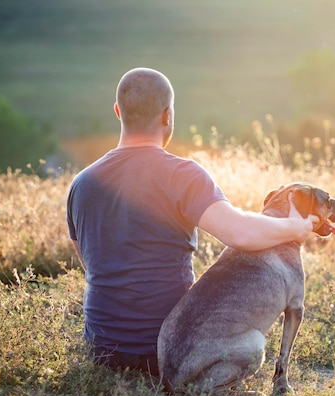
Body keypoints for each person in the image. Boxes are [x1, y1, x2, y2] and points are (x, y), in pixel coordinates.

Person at [66, 67, 319, 376]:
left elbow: (89, 263)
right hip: (169, 353)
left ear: (118, 112)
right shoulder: (182, 175)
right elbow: (240, 233)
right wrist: (295, 227)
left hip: (101, 351)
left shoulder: (81, 183)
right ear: (167, 116)